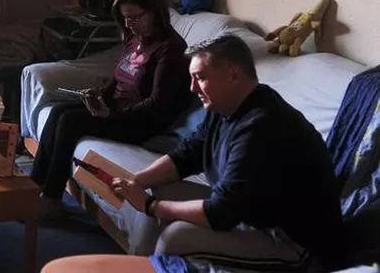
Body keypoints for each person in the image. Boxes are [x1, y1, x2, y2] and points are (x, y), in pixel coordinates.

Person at [111, 34, 345, 271]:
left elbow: (221, 213)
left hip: (293, 241)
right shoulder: (225, 106)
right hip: (250, 213)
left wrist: (152, 206)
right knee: (154, 188)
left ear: (234, 74)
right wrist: (135, 182)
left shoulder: (262, 126)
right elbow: (186, 155)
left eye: (200, 77)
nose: (192, 88)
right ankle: (135, 267)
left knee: (175, 238)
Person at [29, 0, 192, 219]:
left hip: (140, 122)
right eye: (125, 18)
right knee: (57, 111)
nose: (128, 24)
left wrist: (112, 114)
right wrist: (100, 94)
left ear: (153, 12)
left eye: (134, 17)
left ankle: (52, 198)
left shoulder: (170, 48)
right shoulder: (134, 37)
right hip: (115, 110)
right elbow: (119, 77)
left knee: (69, 122)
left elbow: (157, 103)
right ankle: (31, 188)